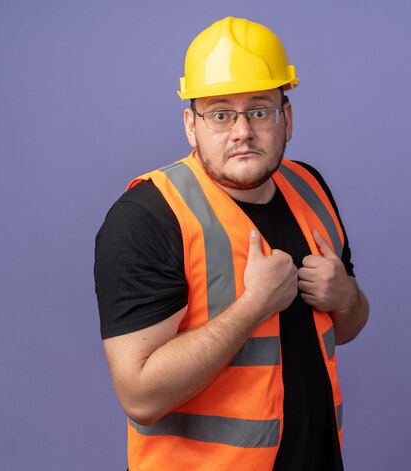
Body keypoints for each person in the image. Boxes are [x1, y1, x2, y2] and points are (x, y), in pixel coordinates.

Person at [94, 16, 369, 471]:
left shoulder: (311, 188)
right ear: (191, 125)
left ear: (287, 117)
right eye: (220, 113)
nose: (242, 130)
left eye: (260, 109)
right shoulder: (149, 216)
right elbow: (139, 395)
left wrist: (346, 297)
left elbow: (347, 325)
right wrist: (254, 305)